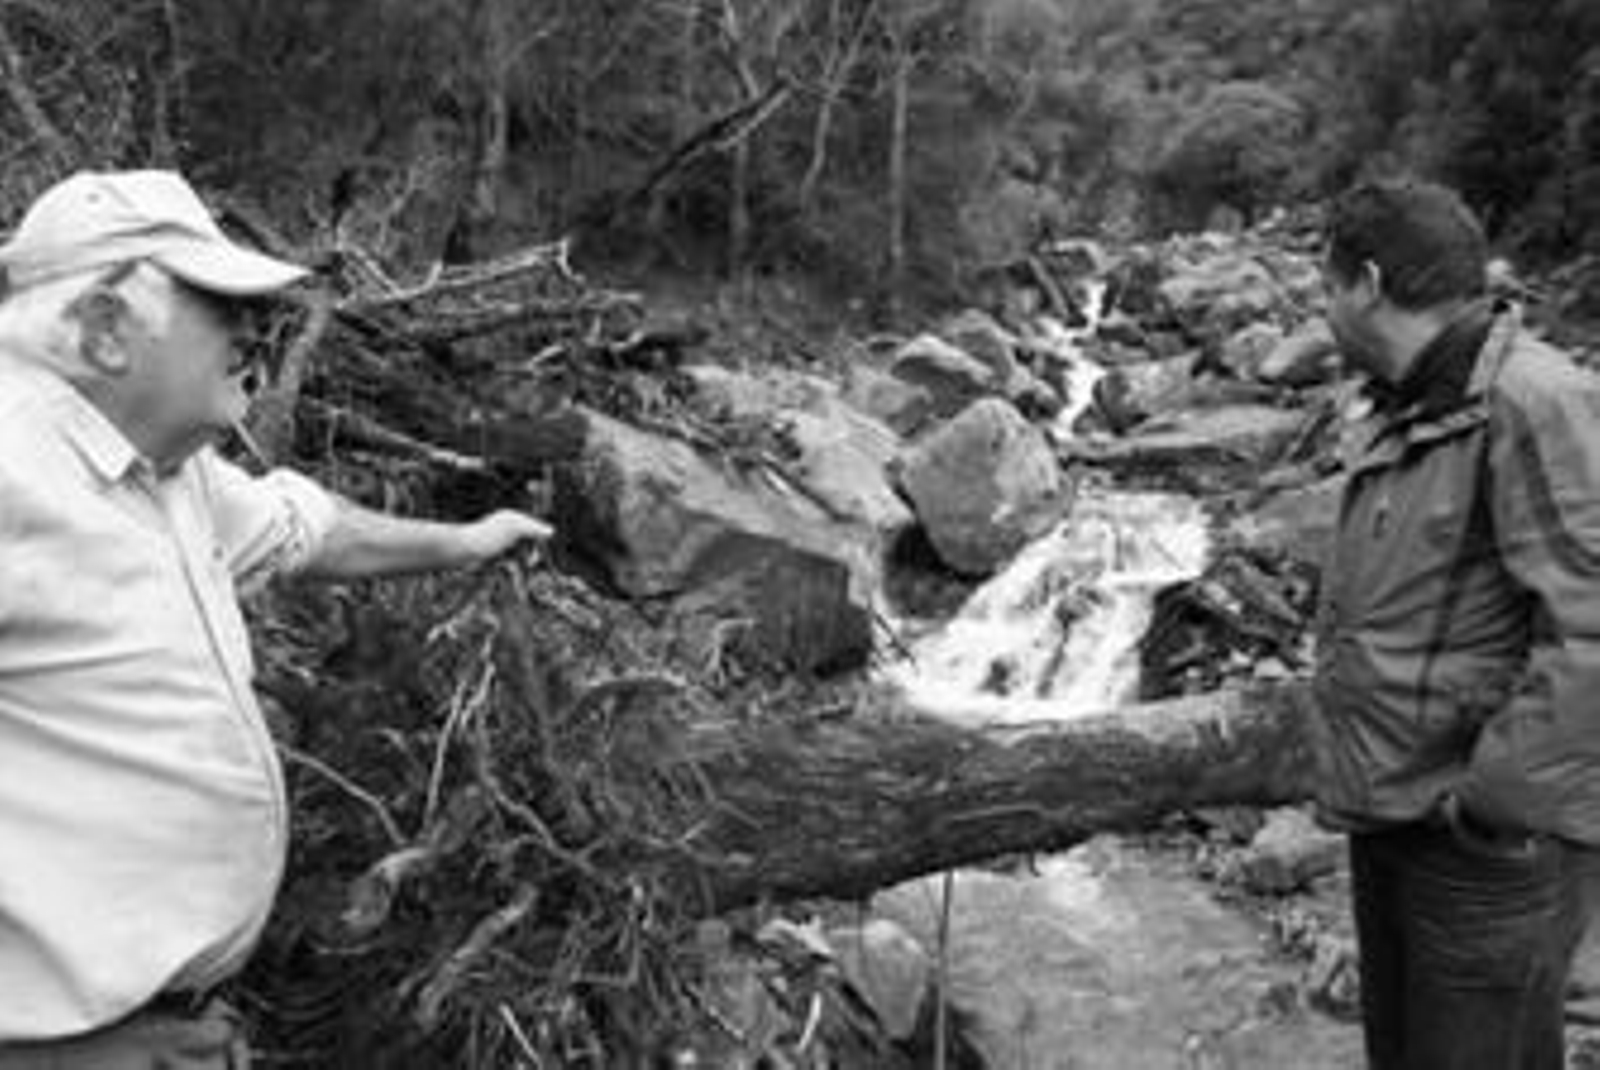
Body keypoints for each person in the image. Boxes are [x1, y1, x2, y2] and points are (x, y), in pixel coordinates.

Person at [0, 170, 551, 1065]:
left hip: (168, 1024)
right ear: (104, 330)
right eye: (217, 303)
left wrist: (463, 541)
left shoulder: (160, 467)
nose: (256, 328)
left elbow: (307, 528)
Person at [1312, 176, 1600, 1068]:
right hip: (1398, 814)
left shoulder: (1533, 399)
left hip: (1481, 846)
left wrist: (1494, 805)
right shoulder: (1414, 403)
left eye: (1324, 286)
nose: (1321, 309)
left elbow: (1592, 626)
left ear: (1365, 282)